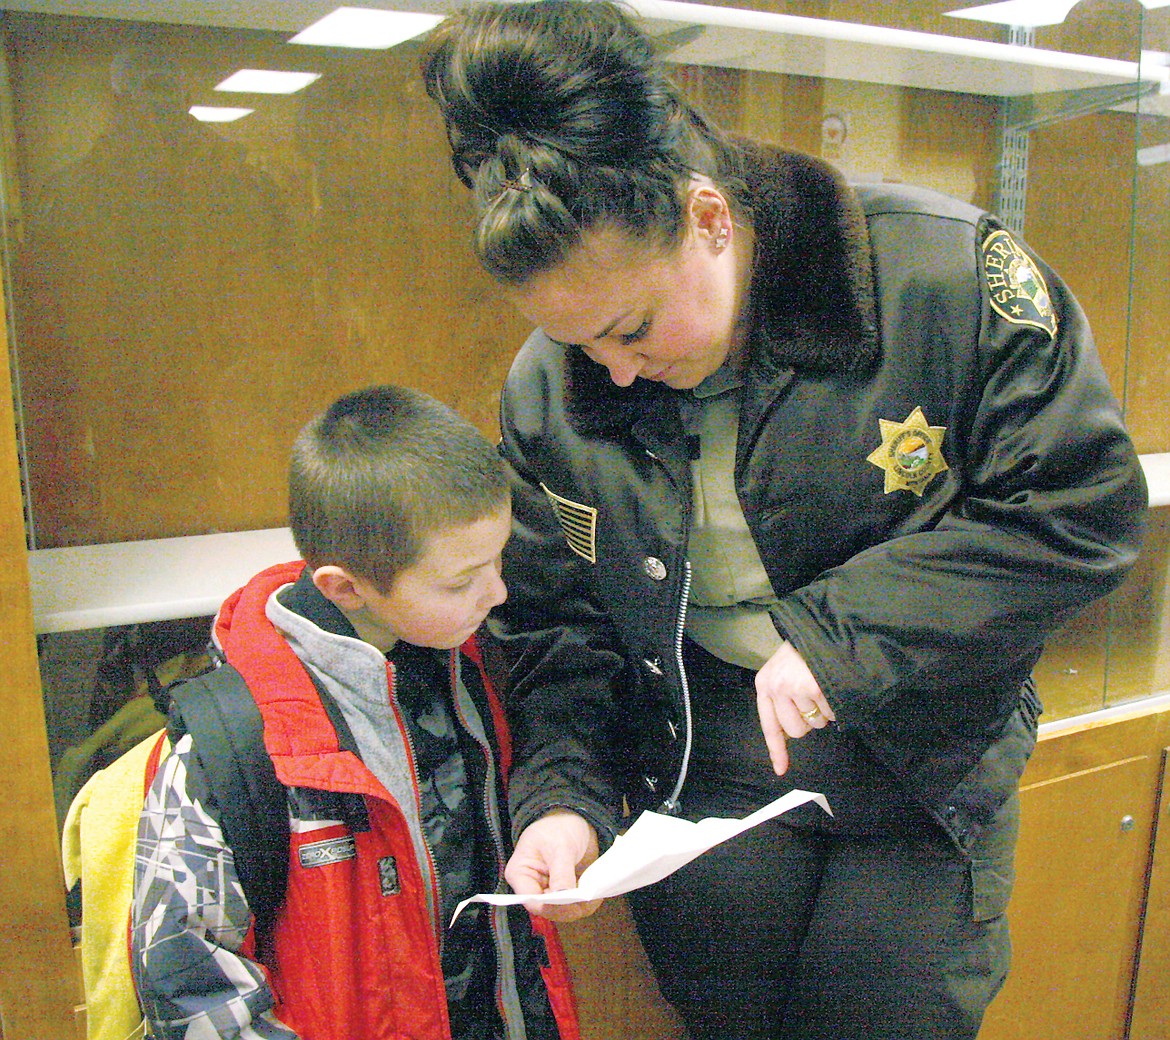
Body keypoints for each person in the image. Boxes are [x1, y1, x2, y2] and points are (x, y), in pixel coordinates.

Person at [421, 3, 1149, 1039]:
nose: (615, 371)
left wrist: (840, 637)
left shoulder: (940, 279)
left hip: (920, 744)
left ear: (711, 218)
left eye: (631, 327)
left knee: (886, 1016)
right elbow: (553, 630)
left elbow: (1081, 509)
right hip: (704, 753)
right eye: (581, 343)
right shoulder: (551, 388)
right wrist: (562, 796)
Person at [130, 385, 578, 1040]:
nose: (500, 591)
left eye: (499, 559)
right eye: (462, 580)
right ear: (346, 588)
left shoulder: (472, 662)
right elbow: (190, 987)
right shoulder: (230, 747)